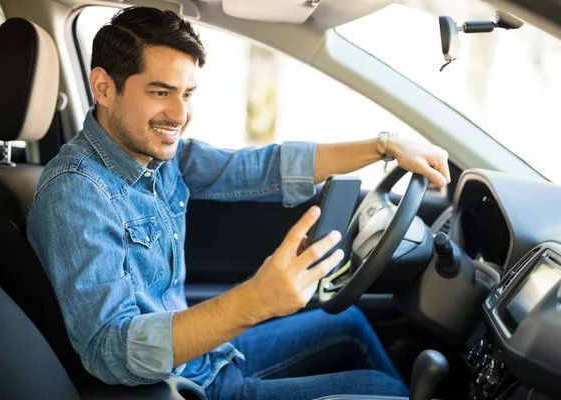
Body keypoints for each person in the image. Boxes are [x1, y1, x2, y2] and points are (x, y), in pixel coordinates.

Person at [27, 6, 450, 400]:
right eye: (160, 92)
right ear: (103, 87)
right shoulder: (76, 193)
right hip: (184, 386)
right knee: (380, 389)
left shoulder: (156, 156)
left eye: (188, 94)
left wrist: (386, 145)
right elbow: (110, 351)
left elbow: (262, 168)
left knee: (350, 322)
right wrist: (254, 301)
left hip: (206, 355)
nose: (179, 114)